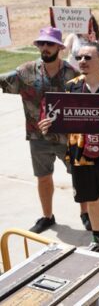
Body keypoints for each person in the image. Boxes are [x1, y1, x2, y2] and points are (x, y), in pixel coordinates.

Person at [39, 42, 99, 252]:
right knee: (91, 199)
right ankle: (98, 237)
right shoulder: (71, 87)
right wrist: (50, 124)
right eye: (79, 57)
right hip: (81, 154)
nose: (82, 61)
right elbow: (61, 118)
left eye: (87, 57)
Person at [0, 27, 79, 233]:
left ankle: (86, 213)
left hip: (67, 138)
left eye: (49, 44)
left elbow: (84, 104)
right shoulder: (25, 71)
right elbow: (3, 81)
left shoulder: (72, 73)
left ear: (59, 47)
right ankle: (47, 216)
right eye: (41, 43)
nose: (45, 47)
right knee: (43, 177)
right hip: (38, 137)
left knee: (79, 175)